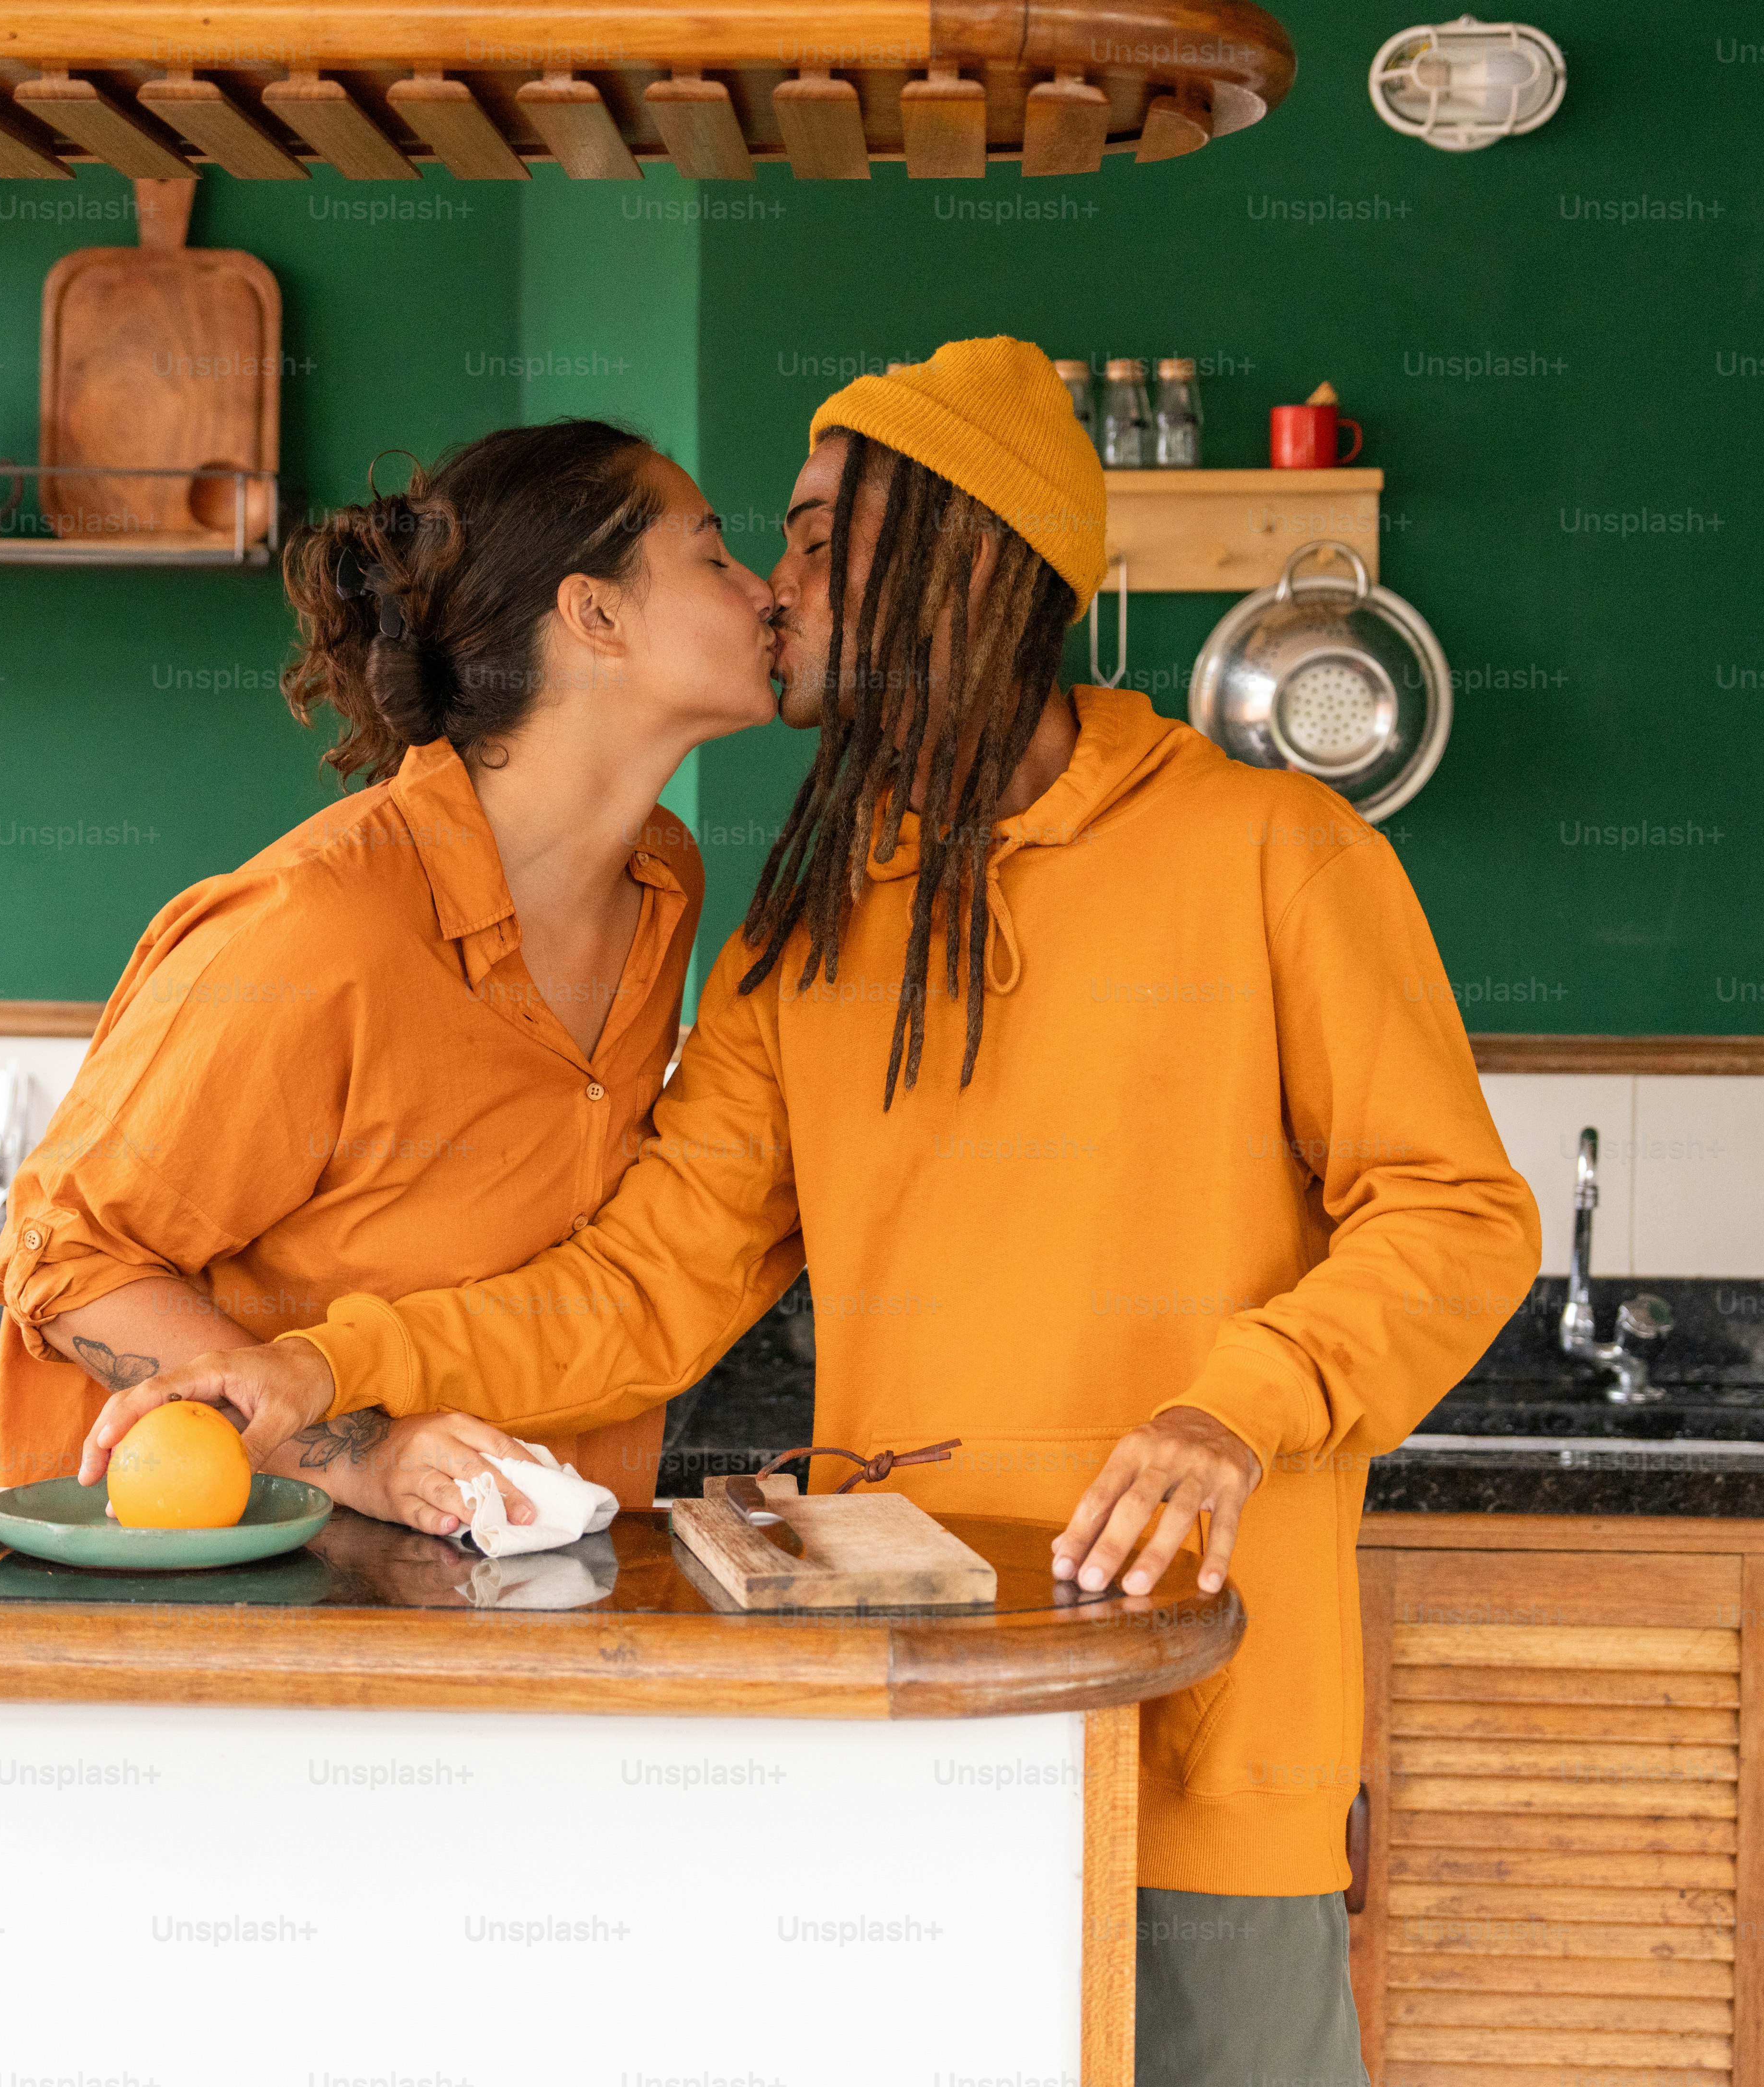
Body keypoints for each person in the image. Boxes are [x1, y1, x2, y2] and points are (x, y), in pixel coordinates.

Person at [96, 339, 1543, 2085]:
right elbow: (638, 1287)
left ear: (975, 556)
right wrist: (325, 1364)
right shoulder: (805, 927)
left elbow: (1453, 1215)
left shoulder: (1274, 855)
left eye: (816, 540)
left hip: (1199, 1746)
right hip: (902, 1717)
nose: (777, 589)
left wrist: (1232, 1411)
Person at [0, 418, 789, 1532]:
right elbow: (64, 1253)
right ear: (595, 613)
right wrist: (357, 1454)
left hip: (511, 1578)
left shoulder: (662, 883)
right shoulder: (324, 928)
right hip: (244, 1592)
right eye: (714, 557)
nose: (765, 591)